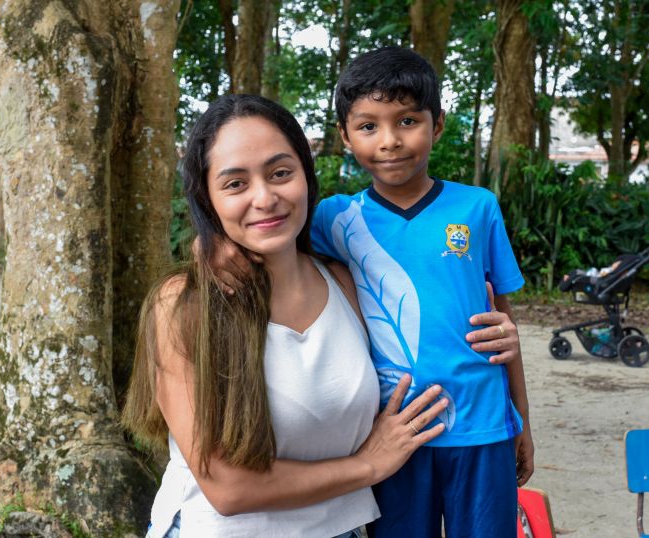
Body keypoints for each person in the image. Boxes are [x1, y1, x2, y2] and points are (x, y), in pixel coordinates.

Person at [209, 47, 533, 537]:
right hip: (394, 431)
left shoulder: (478, 207)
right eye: (368, 126)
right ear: (344, 135)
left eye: (407, 121)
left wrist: (522, 421)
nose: (389, 141)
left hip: (483, 425)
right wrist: (209, 243)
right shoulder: (331, 218)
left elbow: (502, 326)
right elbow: (262, 237)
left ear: (437, 124)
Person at [122, 94, 449, 538]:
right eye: (235, 184)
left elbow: (434, 330)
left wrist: (498, 338)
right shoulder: (185, 304)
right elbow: (228, 488)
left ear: (306, 177)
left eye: (280, 173)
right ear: (207, 197)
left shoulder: (348, 282)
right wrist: (367, 464)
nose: (265, 198)